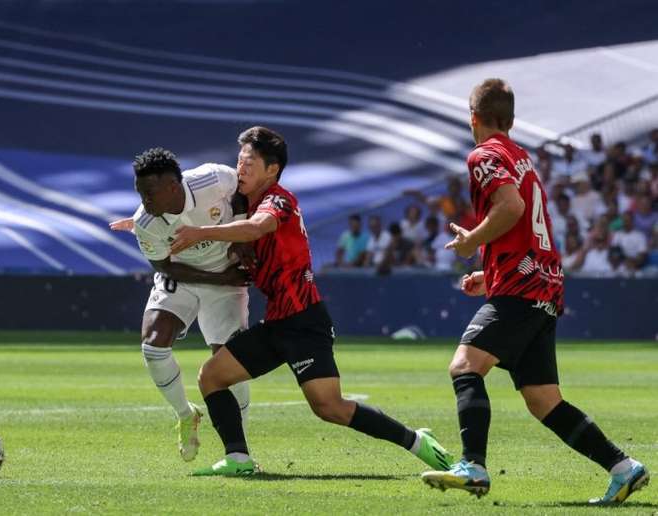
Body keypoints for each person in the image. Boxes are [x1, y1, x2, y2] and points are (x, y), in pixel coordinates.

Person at [171, 126, 453, 476]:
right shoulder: (246, 205)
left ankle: (416, 440)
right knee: (211, 376)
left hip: (304, 321)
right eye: (239, 161)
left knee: (329, 407)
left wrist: (200, 234)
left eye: (249, 162)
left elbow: (258, 228)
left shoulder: (279, 200)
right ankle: (238, 459)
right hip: (278, 322)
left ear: (272, 169)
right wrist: (150, 223)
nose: (240, 169)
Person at [420, 79, 648, 504]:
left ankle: (473, 465)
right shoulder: (522, 158)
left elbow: (512, 209)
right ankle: (623, 467)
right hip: (541, 284)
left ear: (474, 118)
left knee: (465, 366)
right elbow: (529, 229)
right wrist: (491, 275)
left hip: (523, 289)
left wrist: (471, 244)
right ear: (510, 119)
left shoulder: (484, 155)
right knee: (543, 400)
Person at [108, 148, 252, 463]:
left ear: (174, 187)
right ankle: (185, 414)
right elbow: (165, 267)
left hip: (226, 277)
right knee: (153, 345)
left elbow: (241, 193)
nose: (143, 200)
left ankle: (238, 444)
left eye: (149, 192)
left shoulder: (212, 178)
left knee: (231, 362)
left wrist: (241, 240)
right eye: (139, 191)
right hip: (185, 276)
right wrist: (220, 279)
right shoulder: (145, 222)